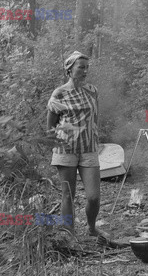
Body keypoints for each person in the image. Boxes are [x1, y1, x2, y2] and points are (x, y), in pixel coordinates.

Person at [47, 51, 105, 239]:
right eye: (81, 67)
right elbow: (51, 124)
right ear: (69, 69)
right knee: (67, 195)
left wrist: (95, 136)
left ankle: (92, 228)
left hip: (88, 148)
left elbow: (95, 118)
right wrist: (55, 142)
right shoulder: (59, 93)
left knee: (94, 197)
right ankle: (68, 234)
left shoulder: (93, 91)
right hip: (66, 149)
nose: (85, 71)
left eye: (87, 67)